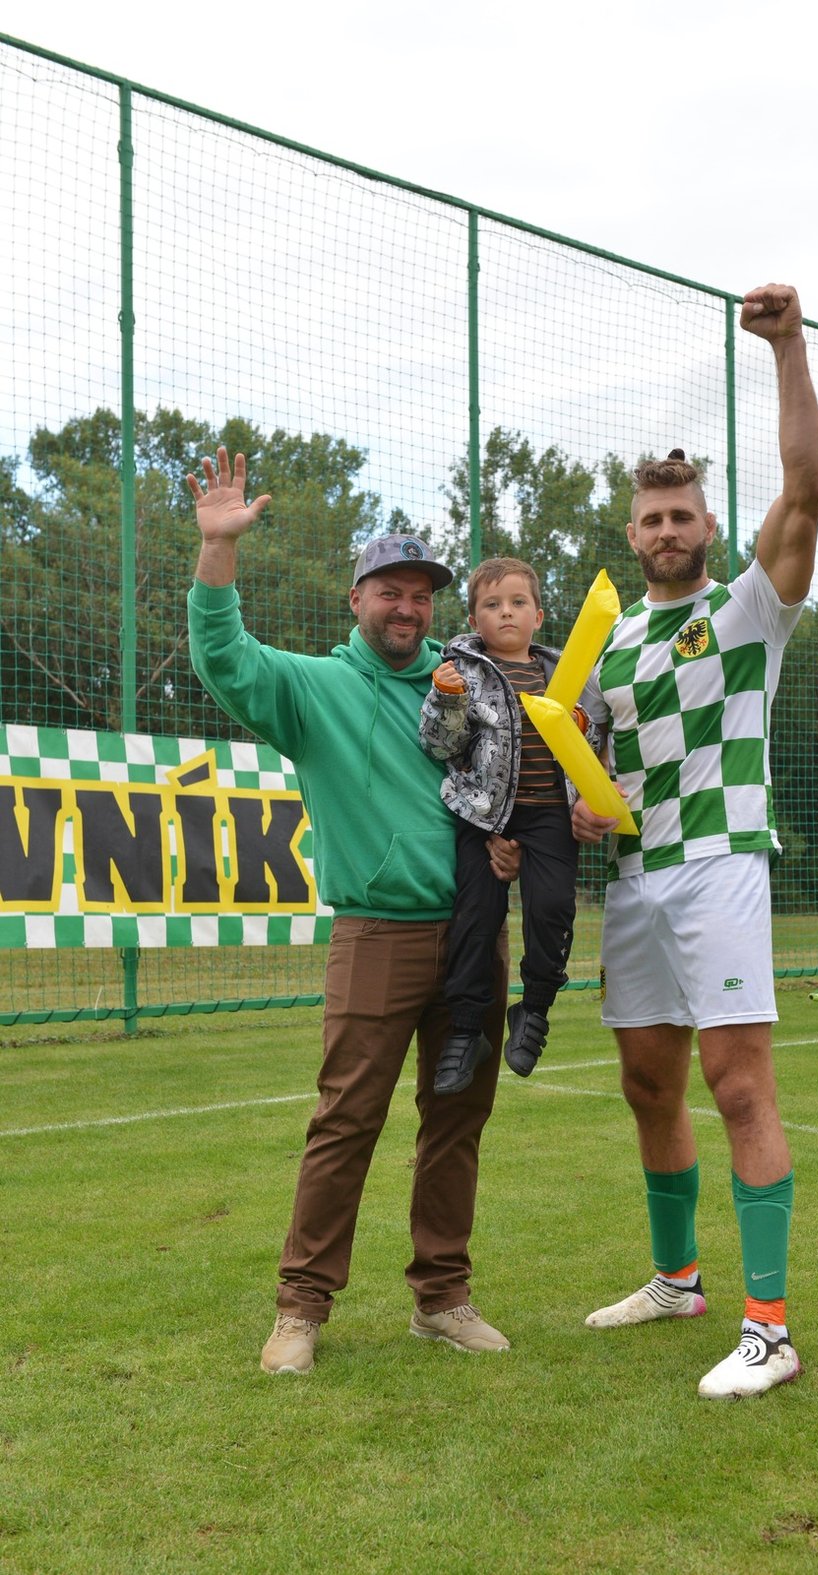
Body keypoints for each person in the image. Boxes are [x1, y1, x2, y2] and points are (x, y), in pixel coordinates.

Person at [186, 447, 520, 1373]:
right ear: (356, 599)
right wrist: (219, 550)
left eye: (420, 594)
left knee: (455, 1122)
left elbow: (518, 785)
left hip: (471, 937)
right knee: (347, 1123)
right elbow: (222, 656)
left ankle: (441, 1297)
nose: (406, 607)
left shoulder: (469, 687)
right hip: (375, 933)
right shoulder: (315, 688)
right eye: (389, 591)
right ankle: (300, 1310)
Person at [572, 283, 818, 1400]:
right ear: (631, 535)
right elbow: (601, 774)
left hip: (723, 863)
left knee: (737, 1086)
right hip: (636, 880)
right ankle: (679, 1280)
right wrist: (590, 806)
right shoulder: (612, 644)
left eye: (684, 515)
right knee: (645, 1081)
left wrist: (786, 345)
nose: (668, 530)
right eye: (652, 518)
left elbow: (808, 486)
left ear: (708, 528)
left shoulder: (747, 607)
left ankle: (769, 1328)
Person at [418, 557, 602, 1095]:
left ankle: (536, 1009)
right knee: (475, 920)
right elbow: (440, 747)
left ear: (539, 615)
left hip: (551, 816)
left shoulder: (566, 675)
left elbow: (589, 745)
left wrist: (585, 733)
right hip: (483, 814)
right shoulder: (461, 671)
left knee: (552, 911)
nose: (506, 614)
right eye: (492, 605)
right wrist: (446, 699)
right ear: (474, 618)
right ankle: (466, 1030)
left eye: (518, 603)